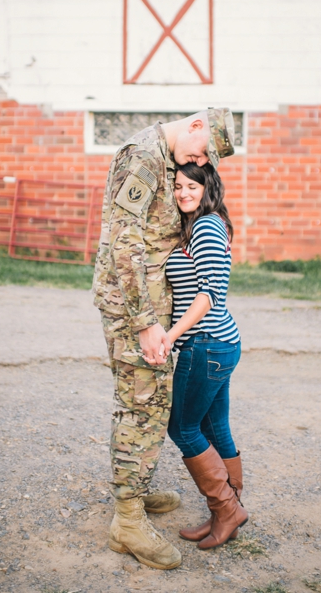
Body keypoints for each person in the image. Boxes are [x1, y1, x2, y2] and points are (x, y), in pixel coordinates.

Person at [92, 108, 235, 570]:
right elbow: (124, 242)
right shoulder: (144, 155)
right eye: (198, 152)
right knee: (142, 405)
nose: (194, 161)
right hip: (139, 311)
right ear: (195, 126)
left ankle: (136, 491)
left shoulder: (166, 155)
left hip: (153, 308)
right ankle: (128, 521)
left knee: (151, 404)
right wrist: (145, 321)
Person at [165, 162, 247, 549]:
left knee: (182, 428)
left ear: (207, 186)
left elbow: (208, 294)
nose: (183, 192)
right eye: (178, 186)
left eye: (191, 186)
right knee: (215, 429)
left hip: (206, 343)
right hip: (217, 344)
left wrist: (170, 336)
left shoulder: (206, 225)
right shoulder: (199, 225)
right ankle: (224, 513)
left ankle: (227, 509)